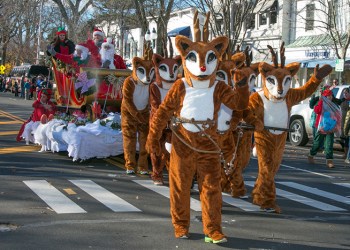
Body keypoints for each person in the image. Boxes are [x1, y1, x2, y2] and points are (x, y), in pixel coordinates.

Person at [308, 89, 341, 168]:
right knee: (317, 143)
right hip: (321, 127)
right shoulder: (321, 103)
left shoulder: (334, 105)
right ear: (324, 96)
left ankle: (329, 161)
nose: (329, 97)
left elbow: (338, 115)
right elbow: (316, 110)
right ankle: (311, 155)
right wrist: (320, 102)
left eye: (330, 95)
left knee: (329, 144)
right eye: (328, 96)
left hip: (330, 127)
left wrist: (336, 126)